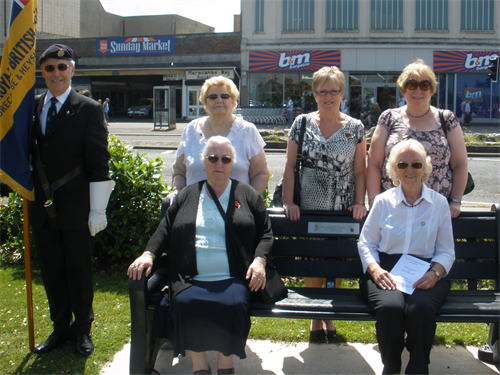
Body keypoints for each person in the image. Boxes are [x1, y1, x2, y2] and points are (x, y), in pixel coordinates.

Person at [128, 136, 273, 375]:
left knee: (233, 304)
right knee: (185, 302)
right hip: (190, 278)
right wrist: (148, 254)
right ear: (204, 162)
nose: (219, 164)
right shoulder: (186, 195)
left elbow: (266, 234)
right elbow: (165, 228)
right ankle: (200, 369)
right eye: (212, 158)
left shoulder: (247, 195)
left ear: (232, 163)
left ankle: (226, 368)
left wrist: (259, 261)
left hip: (234, 276)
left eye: (225, 159)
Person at [31, 44, 114, 357]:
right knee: (52, 271)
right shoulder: (31, 107)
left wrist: (97, 210)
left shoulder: (89, 109)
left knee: (79, 271)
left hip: (76, 207)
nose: (56, 73)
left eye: (62, 67)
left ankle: (83, 331)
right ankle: (60, 328)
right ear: (43, 72)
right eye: (50, 68)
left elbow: (98, 163)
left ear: (72, 70)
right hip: (41, 207)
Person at [282, 66, 367, 342]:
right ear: (314, 94)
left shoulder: (355, 128)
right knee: (311, 262)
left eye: (333, 90)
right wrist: (288, 202)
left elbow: (360, 172)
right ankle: (314, 320)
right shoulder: (302, 123)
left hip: (342, 210)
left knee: (336, 263)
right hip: (308, 207)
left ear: (342, 93)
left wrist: (358, 202)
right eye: (322, 91)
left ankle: (329, 317)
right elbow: (290, 165)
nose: (328, 96)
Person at [358, 139, 455, 375]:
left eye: (416, 164)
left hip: (425, 270)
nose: (409, 170)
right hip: (386, 270)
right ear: (394, 170)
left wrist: (435, 273)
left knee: (420, 309)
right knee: (390, 308)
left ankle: (418, 368)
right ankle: (391, 366)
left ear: (425, 168)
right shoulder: (382, 202)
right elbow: (366, 243)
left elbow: (446, 250)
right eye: (402, 164)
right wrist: (375, 270)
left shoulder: (439, 204)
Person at [366, 59, 468, 219]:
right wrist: (373, 200)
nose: (418, 90)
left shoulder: (446, 119)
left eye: (425, 85)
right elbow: (374, 163)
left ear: (432, 89)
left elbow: (460, 163)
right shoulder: (388, 118)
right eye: (411, 85)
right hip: (394, 208)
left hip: (436, 210)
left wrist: (455, 201)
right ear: (403, 88)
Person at [169, 76, 269, 204]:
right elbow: (179, 171)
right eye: (212, 97)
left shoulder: (248, 131)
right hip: (194, 211)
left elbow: (261, 173)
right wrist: (177, 190)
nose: (219, 100)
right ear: (205, 102)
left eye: (225, 96)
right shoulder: (190, 130)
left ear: (233, 101)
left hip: (236, 213)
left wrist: (247, 204)